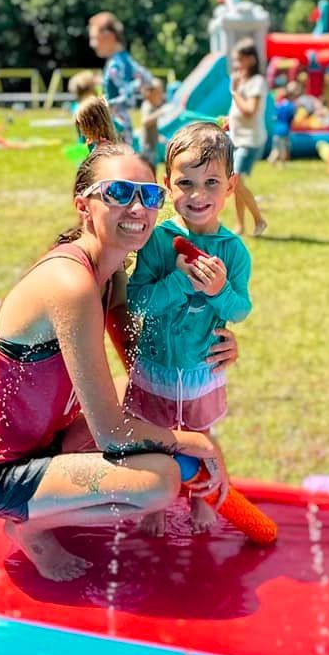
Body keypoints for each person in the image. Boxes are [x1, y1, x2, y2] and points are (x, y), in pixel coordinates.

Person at [0, 142, 239, 583]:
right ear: (83, 205)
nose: (137, 207)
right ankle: (30, 528)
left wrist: (216, 344)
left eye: (149, 195)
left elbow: (140, 363)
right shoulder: (71, 284)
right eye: (119, 192)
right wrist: (191, 443)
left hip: (46, 442)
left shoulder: (108, 274)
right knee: (159, 481)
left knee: (137, 404)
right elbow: (112, 434)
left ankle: (49, 504)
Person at [125, 122, 252, 535]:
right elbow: (137, 302)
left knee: (200, 435)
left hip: (201, 369)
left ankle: (201, 497)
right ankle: (155, 504)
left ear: (230, 186)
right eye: (186, 183)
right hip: (155, 366)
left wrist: (218, 291)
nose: (198, 195)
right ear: (167, 185)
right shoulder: (157, 241)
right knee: (153, 437)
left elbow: (240, 309)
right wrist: (179, 281)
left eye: (211, 182)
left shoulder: (234, 251)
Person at [88, 11, 153, 146]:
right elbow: (148, 79)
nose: (92, 44)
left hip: (117, 130)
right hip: (122, 128)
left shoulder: (115, 65)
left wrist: (101, 106)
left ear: (109, 36)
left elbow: (127, 97)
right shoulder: (124, 59)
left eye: (95, 38)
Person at [228, 38, 268, 237]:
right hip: (237, 138)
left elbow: (250, 111)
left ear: (251, 60)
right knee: (237, 184)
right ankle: (240, 226)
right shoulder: (243, 81)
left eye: (240, 60)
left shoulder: (257, 82)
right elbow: (238, 110)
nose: (236, 64)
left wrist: (234, 92)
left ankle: (260, 221)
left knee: (235, 181)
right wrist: (229, 121)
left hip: (250, 141)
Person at [268, 80, 299, 167]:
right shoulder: (291, 106)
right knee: (284, 148)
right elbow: (292, 118)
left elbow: (274, 117)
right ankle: (283, 164)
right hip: (284, 129)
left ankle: (271, 159)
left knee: (276, 147)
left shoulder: (279, 105)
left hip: (276, 129)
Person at [139, 76, 166, 168]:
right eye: (159, 93)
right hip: (147, 148)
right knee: (149, 170)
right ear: (150, 94)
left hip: (152, 146)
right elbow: (145, 121)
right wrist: (158, 113)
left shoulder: (153, 106)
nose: (161, 96)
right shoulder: (148, 106)